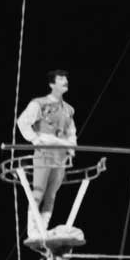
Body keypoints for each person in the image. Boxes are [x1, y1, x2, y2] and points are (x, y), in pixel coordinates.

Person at [16, 70, 78, 242]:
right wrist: (35, 139)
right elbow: (22, 122)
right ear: (52, 84)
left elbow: (71, 132)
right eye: (61, 79)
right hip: (44, 153)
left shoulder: (69, 109)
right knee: (38, 192)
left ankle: (43, 229)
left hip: (61, 156)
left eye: (66, 78)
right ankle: (32, 231)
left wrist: (72, 147)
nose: (65, 81)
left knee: (51, 195)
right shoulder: (39, 103)